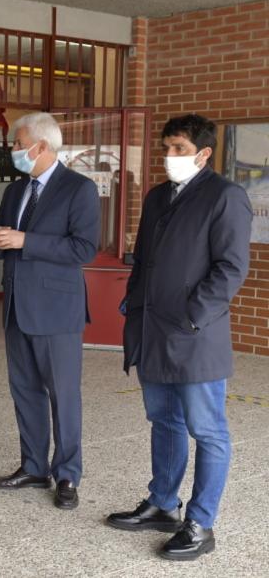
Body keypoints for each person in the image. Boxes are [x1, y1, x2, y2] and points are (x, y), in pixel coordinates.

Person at [107, 114, 251, 560]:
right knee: (164, 421)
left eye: (179, 149)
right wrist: (134, 305)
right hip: (153, 332)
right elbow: (144, 261)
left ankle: (201, 523)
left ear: (203, 154)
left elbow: (230, 268)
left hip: (194, 336)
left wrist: (192, 317)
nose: (169, 157)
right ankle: (163, 504)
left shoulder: (225, 196)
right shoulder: (158, 196)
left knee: (208, 431)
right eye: (166, 148)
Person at [0, 112, 99, 510]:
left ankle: (67, 474)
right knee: (25, 390)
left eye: (18, 144)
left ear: (43, 146)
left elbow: (83, 248)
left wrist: (25, 240)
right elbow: (3, 239)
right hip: (17, 306)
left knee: (62, 394)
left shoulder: (79, 189)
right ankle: (34, 466)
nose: (14, 151)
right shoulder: (16, 190)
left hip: (56, 310)